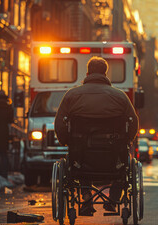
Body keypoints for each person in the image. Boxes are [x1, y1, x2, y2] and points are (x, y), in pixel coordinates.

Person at [54, 56, 139, 216]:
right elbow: (133, 122)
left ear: (88, 72)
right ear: (105, 73)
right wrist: (127, 140)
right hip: (113, 156)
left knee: (79, 162)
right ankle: (113, 199)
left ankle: (86, 198)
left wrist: (66, 141)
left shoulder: (72, 95)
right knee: (124, 166)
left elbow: (59, 123)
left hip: (81, 154)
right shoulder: (120, 96)